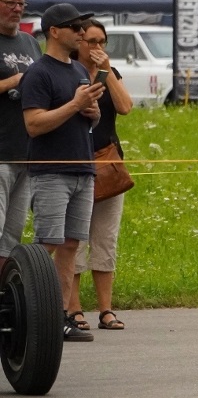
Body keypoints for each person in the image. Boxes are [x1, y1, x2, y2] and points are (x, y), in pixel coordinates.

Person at [19, 3, 103, 342]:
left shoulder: (79, 72)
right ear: (54, 31)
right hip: (51, 171)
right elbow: (34, 124)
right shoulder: (38, 73)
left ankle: (60, 315)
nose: (82, 32)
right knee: (47, 245)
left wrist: (92, 112)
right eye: (74, 26)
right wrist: (75, 105)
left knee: (70, 246)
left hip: (83, 169)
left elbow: (86, 118)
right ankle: (32, 313)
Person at [67, 20, 132, 331]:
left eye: (102, 41)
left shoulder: (109, 72)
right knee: (74, 239)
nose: (97, 48)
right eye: (91, 41)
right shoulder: (65, 72)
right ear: (77, 42)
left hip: (106, 162)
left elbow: (125, 107)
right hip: (72, 163)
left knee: (105, 239)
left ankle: (106, 309)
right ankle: (73, 307)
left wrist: (107, 71)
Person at [0, 0, 40, 273]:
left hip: (27, 152)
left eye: (20, 3)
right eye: (9, 3)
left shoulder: (30, 43)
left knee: (12, 236)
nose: (17, 9)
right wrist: (15, 81)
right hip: (0, 153)